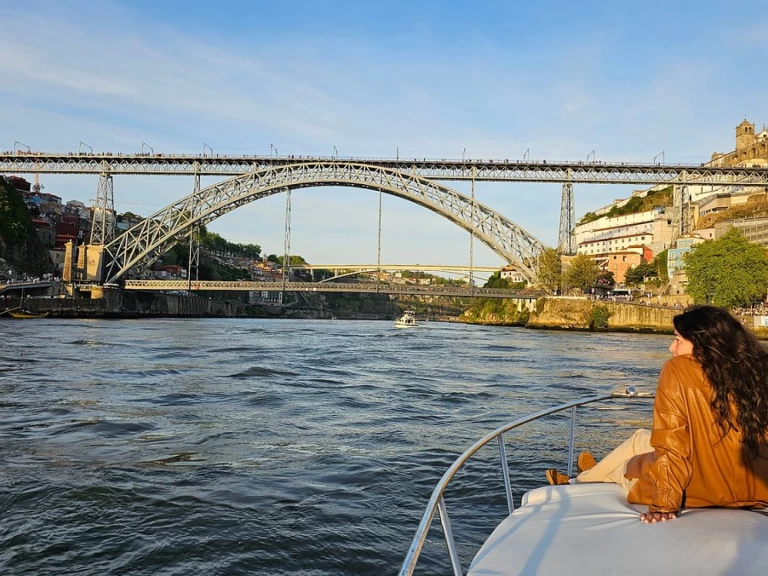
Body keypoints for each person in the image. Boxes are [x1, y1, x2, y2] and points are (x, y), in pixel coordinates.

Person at [546, 305, 768, 523]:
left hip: (699, 492)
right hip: (757, 489)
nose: (672, 348)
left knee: (626, 468)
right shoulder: (757, 369)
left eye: (678, 340)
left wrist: (664, 504)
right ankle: (586, 475)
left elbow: (673, 446)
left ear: (703, 344)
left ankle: (584, 480)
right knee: (640, 438)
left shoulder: (678, 369)